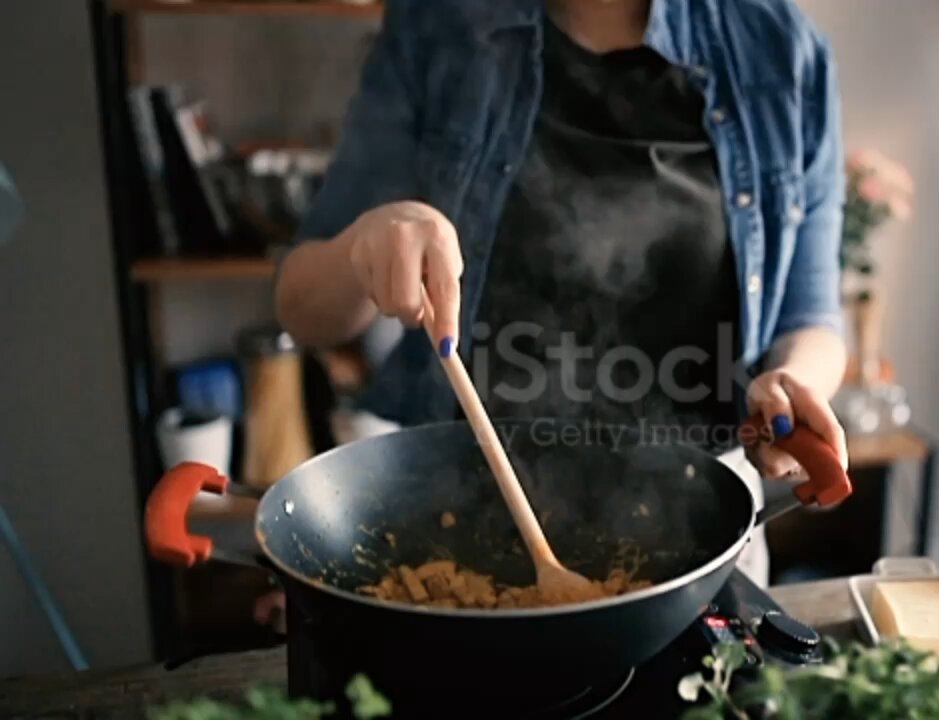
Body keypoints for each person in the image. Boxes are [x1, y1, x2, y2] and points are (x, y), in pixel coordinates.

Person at [274, 0, 851, 590]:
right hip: (453, 522)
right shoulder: (440, 24)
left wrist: (791, 384)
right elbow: (301, 308)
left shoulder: (780, 50)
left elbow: (810, 317)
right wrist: (372, 237)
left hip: (699, 540)